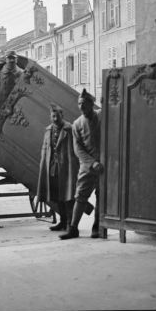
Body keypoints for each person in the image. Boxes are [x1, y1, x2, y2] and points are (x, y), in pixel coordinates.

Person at [60, 89, 102, 240]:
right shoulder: (77, 124)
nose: (81, 107)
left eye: (84, 104)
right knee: (80, 196)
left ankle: (97, 226)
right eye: (79, 104)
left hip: (105, 166)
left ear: (91, 104)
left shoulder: (102, 116)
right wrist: (92, 163)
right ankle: (73, 228)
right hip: (87, 166)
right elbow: (78, 149)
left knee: (102, 196)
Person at [37, 104, 79, 232]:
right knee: (57, 195)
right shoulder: (48, 130)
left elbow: (76, 149)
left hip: (67, 167)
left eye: (57, 116)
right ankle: (62, 221)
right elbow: (44, 149)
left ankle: (70, 224)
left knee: (68, 196)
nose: (55, 119)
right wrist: (44, 165)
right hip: (52, 167)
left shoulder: (69, 129)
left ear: (62, 115)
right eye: (53, 116)